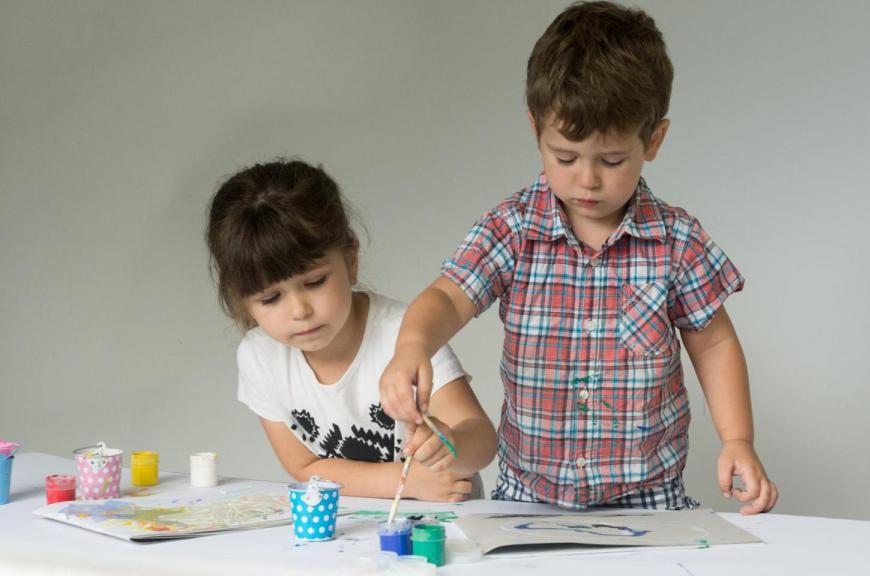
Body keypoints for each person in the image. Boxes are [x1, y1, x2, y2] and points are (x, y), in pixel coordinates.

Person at [381, 1, 778, 513]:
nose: (587, 179)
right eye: (565, 157)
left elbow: (715, 342)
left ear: (653, 140)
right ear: (536, 131)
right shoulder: (513, 228)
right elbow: (447, 298)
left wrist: (738, 439)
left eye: (612, 161)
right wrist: (412, 344)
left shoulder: (676, 240)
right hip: (529, 496)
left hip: (648, 497)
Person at [206, 159, 496, 502]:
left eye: (315, 282)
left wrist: (453, 445)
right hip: (351, 531)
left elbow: (483, 442)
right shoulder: (259, 357)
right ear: (243, 302)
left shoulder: (405, 337)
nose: (300, 310)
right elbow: (304, 466)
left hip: (443, 525)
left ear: (350, 260)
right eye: (270, 298)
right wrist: (407, 484)